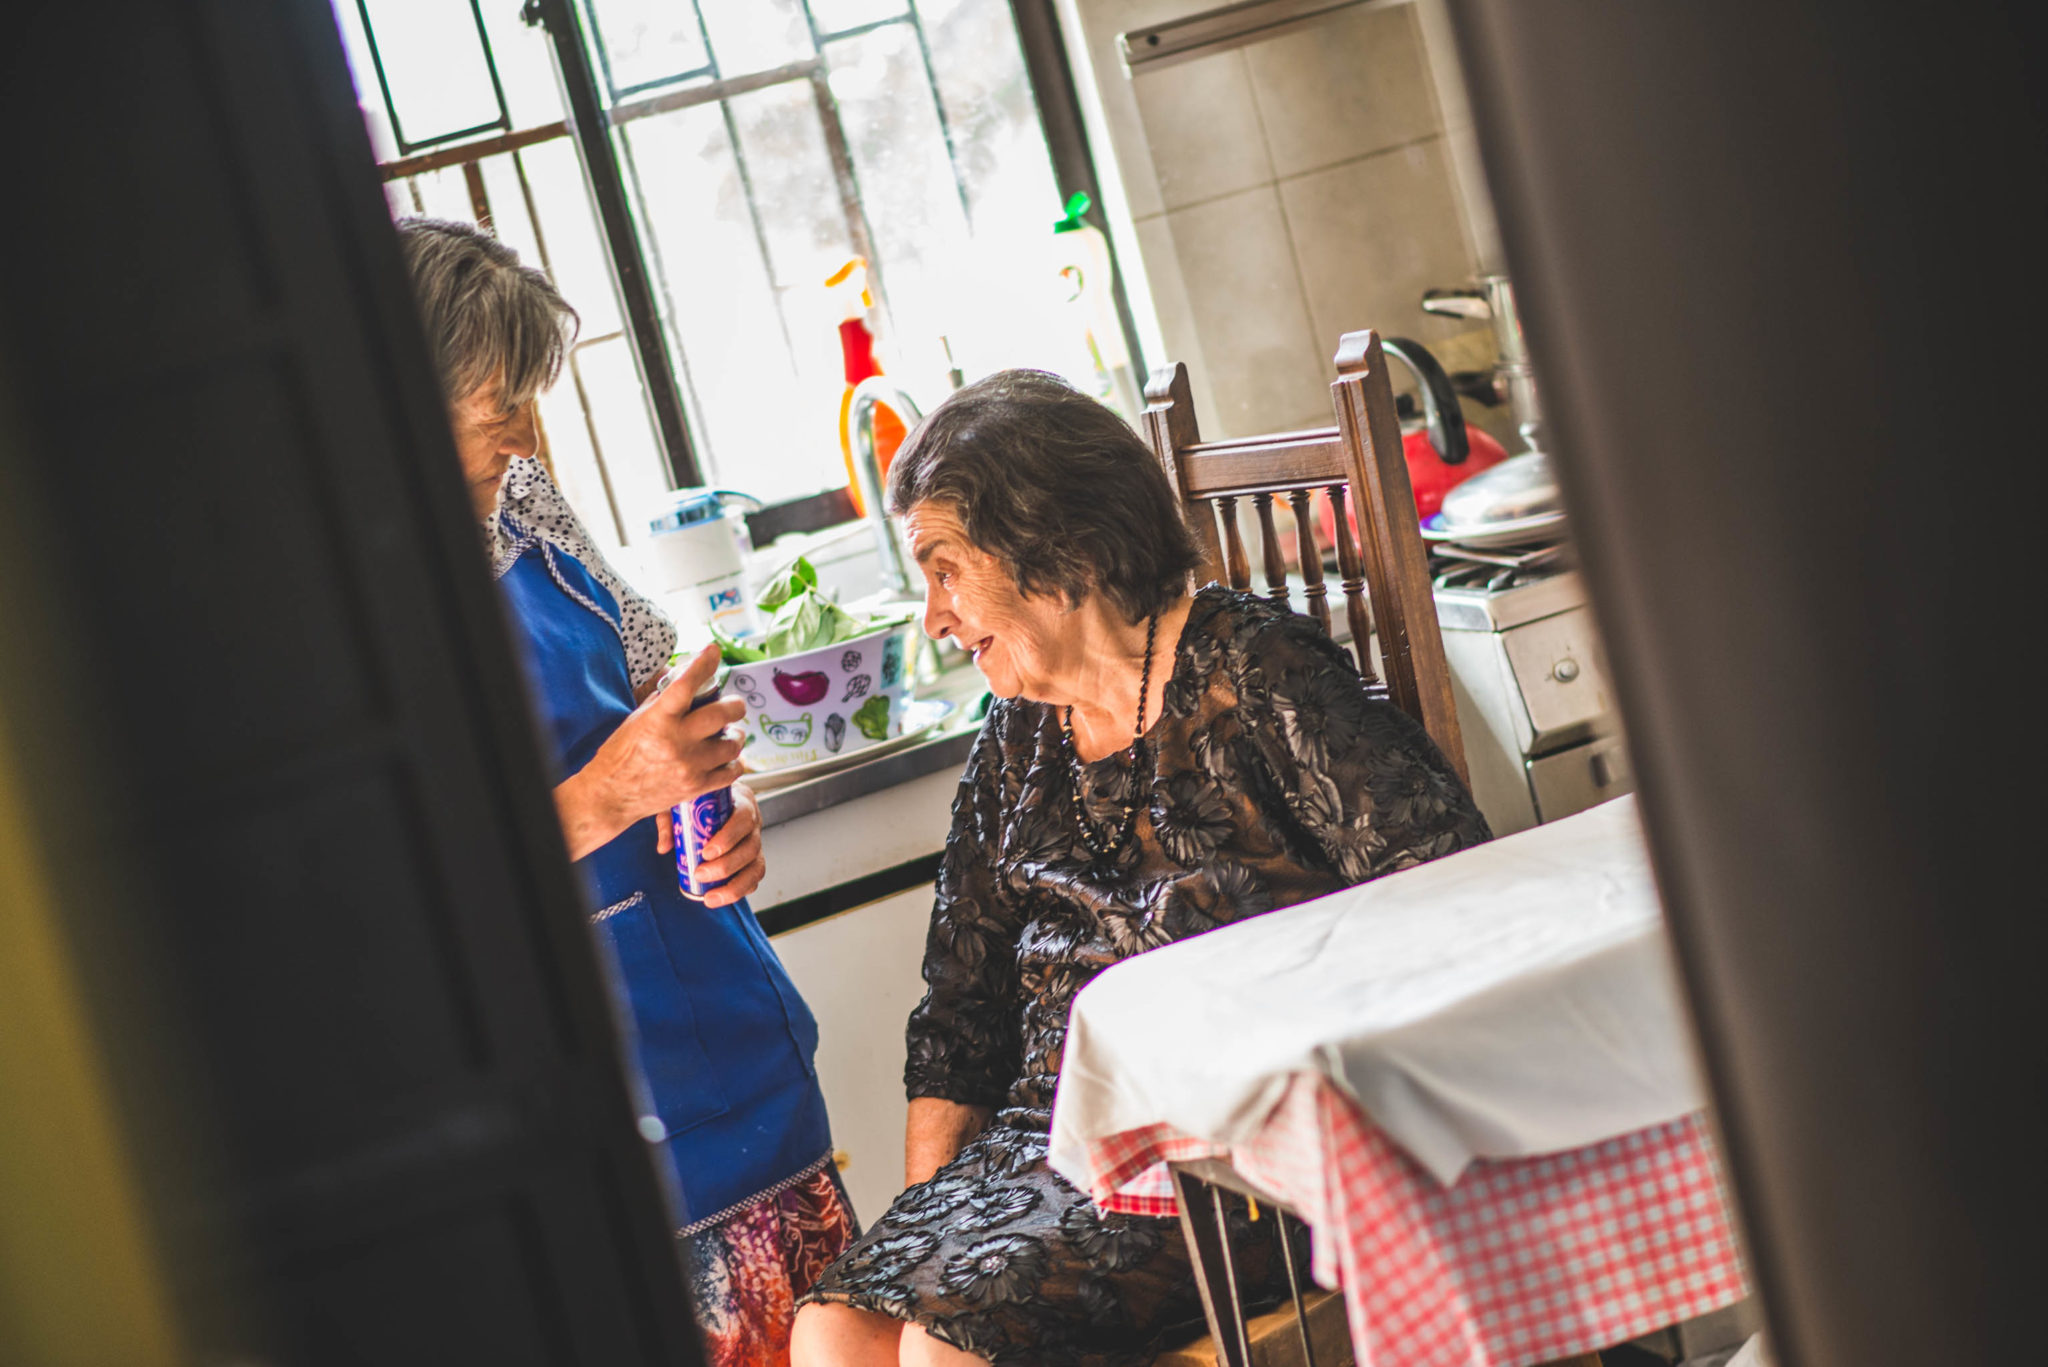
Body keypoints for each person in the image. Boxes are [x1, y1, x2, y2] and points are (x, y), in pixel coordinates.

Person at [790, 371, 1490, 1367]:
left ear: (1051, 546)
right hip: (1048, 1150)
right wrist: (928, 1227)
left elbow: (1449, 886)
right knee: (832, 1330)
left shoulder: (1255, 672)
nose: (934, 618)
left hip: (1228, 1149)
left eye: (945, 570)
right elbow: (959, 1020)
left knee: (941, 1354)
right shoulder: (1013, 739)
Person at [398, 217, 854, 1367]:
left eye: (523, 385)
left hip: (725, 1016)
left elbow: (657, 688)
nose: (519, 419)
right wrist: (608, 793)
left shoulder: (528, 503)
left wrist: (720, 805)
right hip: (590, 1082)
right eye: (489, 390)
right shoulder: (356, 597)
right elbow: (407, 870)